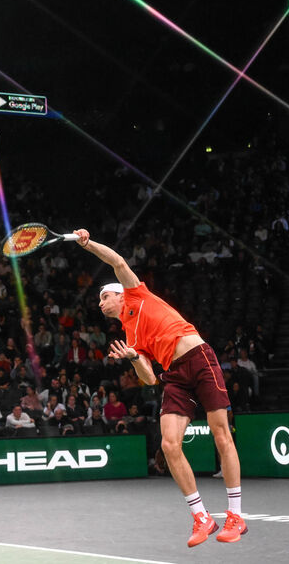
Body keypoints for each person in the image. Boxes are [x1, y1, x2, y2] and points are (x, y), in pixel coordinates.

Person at [74, 229, 245, 546]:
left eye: (104, 297)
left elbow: (117, 261)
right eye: (99, 300)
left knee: (220, 431)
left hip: (198, 357)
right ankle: (201, 517)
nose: (100, 303)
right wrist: (133, 356)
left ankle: (235, 515)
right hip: (174, 375)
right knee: (169, 445)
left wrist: (87, 243)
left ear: (120, 295)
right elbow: (150, 379)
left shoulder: (137, 295)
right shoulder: (130, 333)